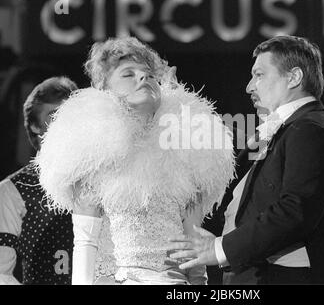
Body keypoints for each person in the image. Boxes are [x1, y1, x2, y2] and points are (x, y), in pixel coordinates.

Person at [35, 37, 235, 285]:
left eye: (150, 75)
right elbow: (85, 243)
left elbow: (192, 247)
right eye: (128, 74)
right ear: (106, 91)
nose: (144, 78)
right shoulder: (93, 158)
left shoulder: (187, 155)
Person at [167, 35, 324, 284]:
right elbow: (228, 177)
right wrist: (175, 104)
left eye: (259, 75)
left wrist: (219, 249)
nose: (249, 86)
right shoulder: (283, 129)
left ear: (294, 77)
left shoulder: (310, 130)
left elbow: (295, 211)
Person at [0, 76, 77, 285]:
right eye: (54, 115)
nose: (65, 123)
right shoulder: (13, 190)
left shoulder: (104, 180)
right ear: (35, 126)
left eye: (70, 115)